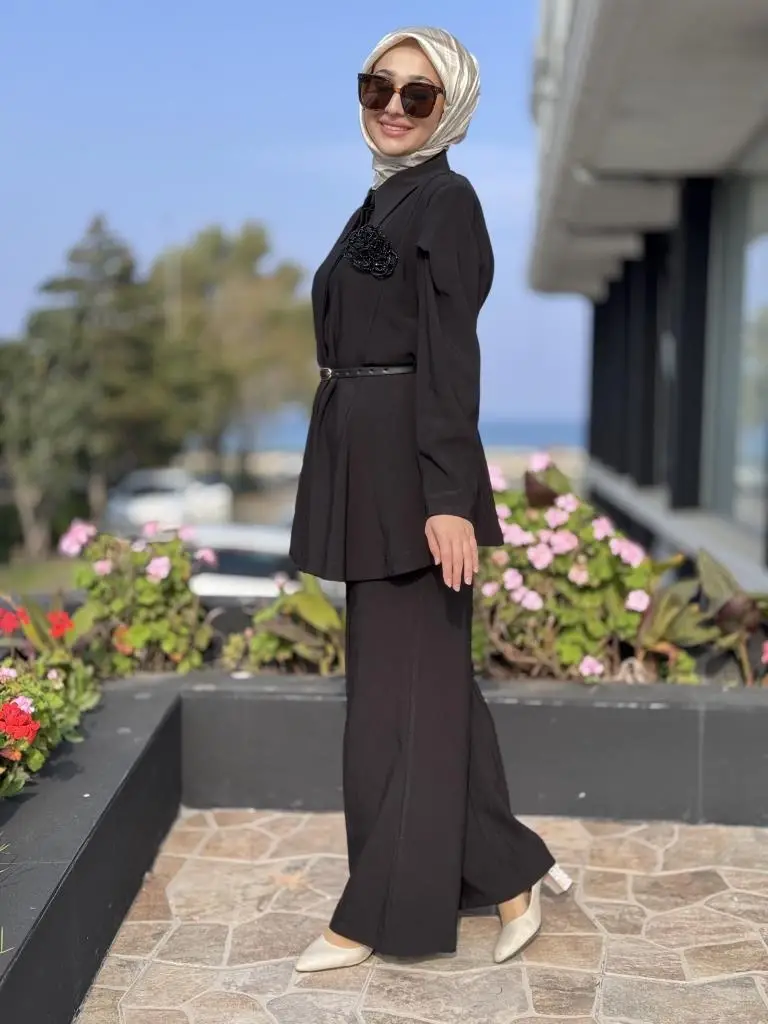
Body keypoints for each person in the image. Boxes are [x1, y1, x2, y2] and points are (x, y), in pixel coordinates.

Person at [289, 26, 571, 972]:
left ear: (451, 108)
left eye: (419, 94)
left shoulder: (447, 202)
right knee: (424, 687)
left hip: (412, 476)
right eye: (380, 86)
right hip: (365, 462)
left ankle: (379, 912)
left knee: (391, 708)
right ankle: (513, 871)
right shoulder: (382, 199)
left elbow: (452, 357)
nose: (394, 108)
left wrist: (449, 497)